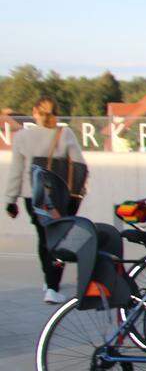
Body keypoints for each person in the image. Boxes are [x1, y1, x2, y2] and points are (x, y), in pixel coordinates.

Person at [4, 97, 85, 304]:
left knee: (43, 238)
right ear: (56, 113)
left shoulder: (22, 136)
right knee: (58, 239)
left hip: (34, 196)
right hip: (59, 197)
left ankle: (48, 281)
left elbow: (16, 170)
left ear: (34, 112)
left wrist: (11, 200)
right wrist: (75, 197)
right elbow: (79, 166)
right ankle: (52, 286)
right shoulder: (64, 133)